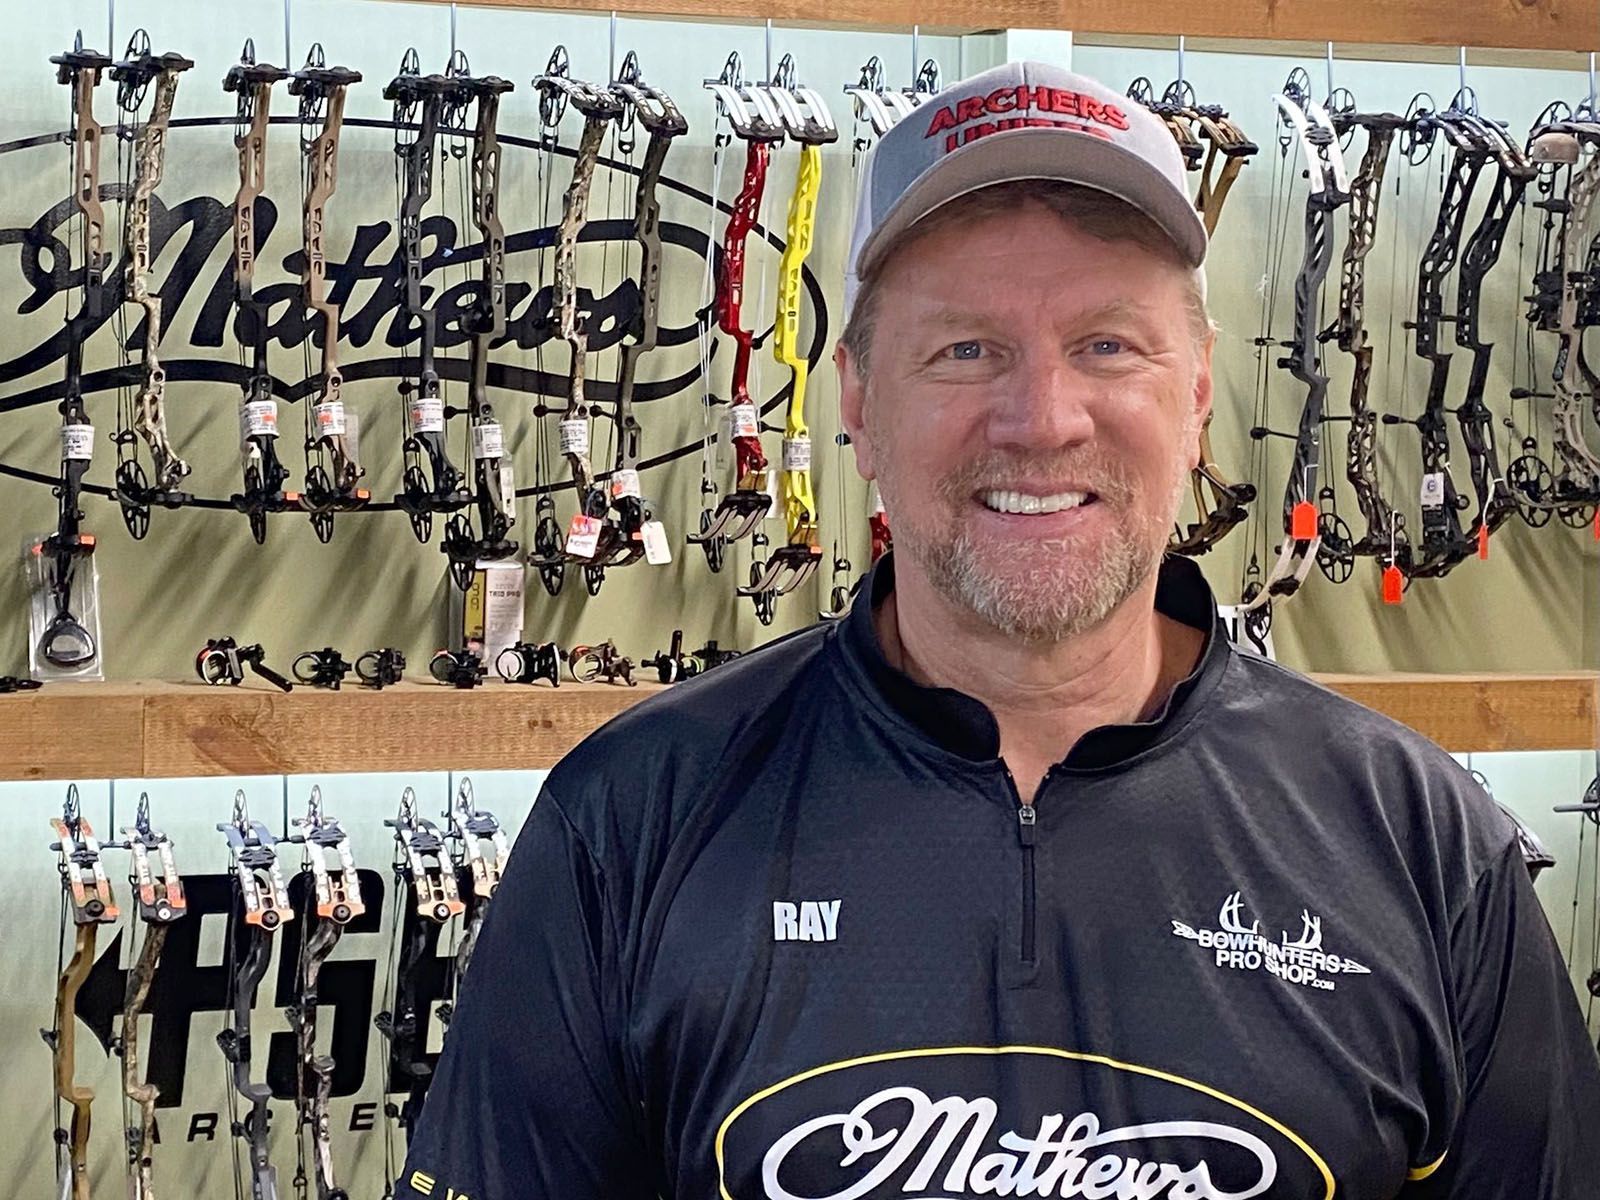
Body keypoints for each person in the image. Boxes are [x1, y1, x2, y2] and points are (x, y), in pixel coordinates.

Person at [396, 61, 1600, 1199]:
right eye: (965, 349)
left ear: (1194, 397)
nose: (1041, 419)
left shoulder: (1418, 842)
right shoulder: (630, 819)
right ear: (857, 401)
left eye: (1106, 346)